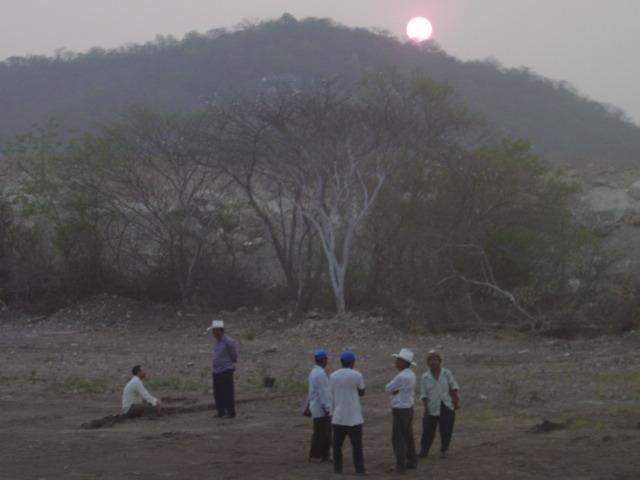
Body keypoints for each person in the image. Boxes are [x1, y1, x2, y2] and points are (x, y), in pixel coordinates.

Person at [330, 351, 366, 476]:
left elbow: (331, 393)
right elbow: (362, 392)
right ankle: (360, 470)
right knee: (357, 446)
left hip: (338, 416)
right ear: (352, 363)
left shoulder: (333, 375)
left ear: (341, 362)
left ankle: (338, 469)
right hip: (354, 418)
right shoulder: (357, 375)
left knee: (337, 446)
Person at [419, 350, 460, 459]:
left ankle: (444, 450)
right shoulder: (425, 376)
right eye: (430, 360)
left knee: (446, 430)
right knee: (428, 431)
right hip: (432, 406)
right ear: (427, 363)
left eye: (435, 360)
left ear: (440, 361)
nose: (433, 362)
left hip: (446, 405)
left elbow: (453, 388)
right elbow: (424, 395)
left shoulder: (446, 373)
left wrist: (456, 402)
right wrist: (426, 409)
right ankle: (424, 450)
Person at [385, 348, 417, 473]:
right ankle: (411, 461)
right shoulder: (411, 374)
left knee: (398, 437)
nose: (396, 362)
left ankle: (400, 465)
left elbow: (388, 388)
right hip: (409, 407)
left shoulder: (401, 376)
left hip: (400, 409)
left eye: (398, 360)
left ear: (404, 362)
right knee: (408, 436)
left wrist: (393, 390)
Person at [305, 350, 332, 463]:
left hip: (316, 407)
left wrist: (307, 406)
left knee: (322, 433)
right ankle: (316, 455)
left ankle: (323, 455)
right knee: (321, 433)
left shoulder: (313, 372)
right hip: (321, 408)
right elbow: (323, 393)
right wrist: (327, 408)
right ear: (324, 360)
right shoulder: (320, 374)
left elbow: (311, 392)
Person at [208, 319, 238, 418]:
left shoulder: (228, 341)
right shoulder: (217, 342)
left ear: (220, 331)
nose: (213, 333)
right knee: (218, 392)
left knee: (227, 392)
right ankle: (220, 411)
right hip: (217, 371)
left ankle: (230, 412)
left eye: (214, 331)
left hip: (226, 370)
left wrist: (229, 364)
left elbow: (233, 355)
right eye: (213, 331)